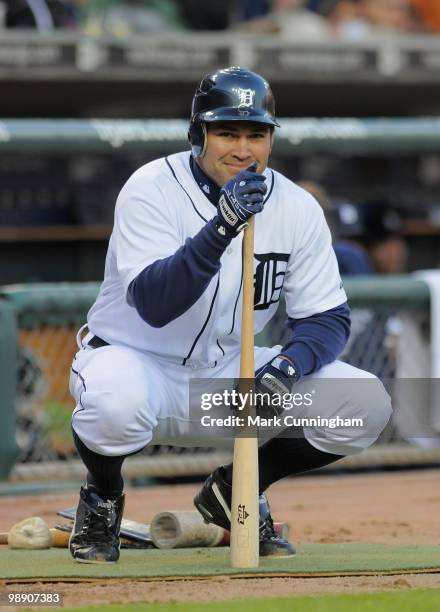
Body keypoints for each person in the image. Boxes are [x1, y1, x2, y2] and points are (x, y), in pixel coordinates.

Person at [68, 66, 392, 564]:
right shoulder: (151, 187)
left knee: (364, 404)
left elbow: (326, 318)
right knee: (115, 402)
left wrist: (287, 368)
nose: (243, 149)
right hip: (137, 367)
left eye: (256, 135)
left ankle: (238, 485)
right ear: (199, 135)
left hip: (224, 385)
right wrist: (221, 227)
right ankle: (103, 497)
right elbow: (156, 304)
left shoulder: (296, 206)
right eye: (227, 133)